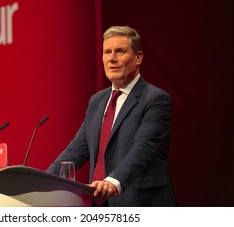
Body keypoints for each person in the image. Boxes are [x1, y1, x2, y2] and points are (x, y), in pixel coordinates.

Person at [46, 25, 176, 206]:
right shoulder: (97, 101)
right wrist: (43, 180)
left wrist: (112, 182)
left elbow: (143, 148)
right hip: (101, 205)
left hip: (142, 204)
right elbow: (77, 149)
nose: (112, 59)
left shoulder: (156, 99)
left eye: (120, 51)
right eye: (107, 52)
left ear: (138, 58)